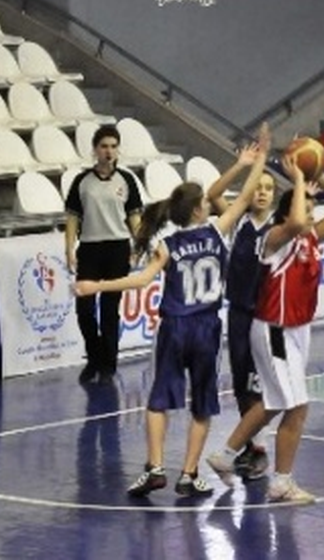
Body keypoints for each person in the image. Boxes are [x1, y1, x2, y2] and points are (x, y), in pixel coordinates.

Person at [75, 127, 271, 498]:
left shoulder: (167, 244)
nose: (210, 205)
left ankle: (154, 467)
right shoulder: (216, 232)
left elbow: (140, 280)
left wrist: (96, 286)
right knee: (202, 406)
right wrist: (254, 159)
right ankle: (189, 473)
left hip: (174, 328)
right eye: (205, 203)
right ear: (198, 210)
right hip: (207, 328)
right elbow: (246, 196)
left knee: (158, 402)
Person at [207, 156, 324, 503]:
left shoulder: (310, 237)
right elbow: (296, 222)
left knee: (274, 401)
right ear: (289, 212)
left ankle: (224, 455)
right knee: (298, 406)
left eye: (314, 209)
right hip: (275, 328)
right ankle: (282, 482)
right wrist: (299, 180)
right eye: (307, 208)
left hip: (297, 330)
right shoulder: (276, 238)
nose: (312, 215)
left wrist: (320, 174)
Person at [204, 148, 278, 481]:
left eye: (268, 188)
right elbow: (213, 194)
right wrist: (241, 165)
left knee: (257, 385)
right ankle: (251, 445)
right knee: (239, 383)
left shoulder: (279, 228)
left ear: (275, 196)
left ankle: (259, 449)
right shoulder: (239, 222)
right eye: (257, 187)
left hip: (265, 317)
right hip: (238, 313)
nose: (261, 193)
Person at [64, 124, 144, 384]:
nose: (108, 151)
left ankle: (108, 364)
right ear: (95, 150)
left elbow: (134, 218)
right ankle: (94, 355)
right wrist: (69, 248)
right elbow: (72, 218)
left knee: (110, 309)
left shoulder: (126, 180)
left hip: (117, 247)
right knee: (84, 309)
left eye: (113, 146)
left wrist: (140, 244)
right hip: (90, 247)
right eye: (104, 146)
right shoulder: (82, 182)